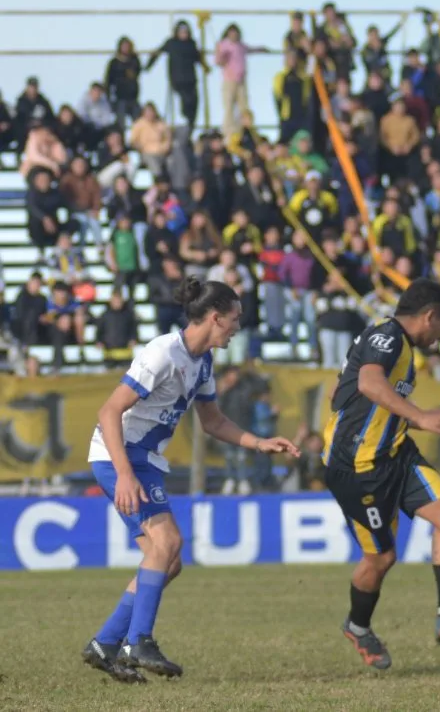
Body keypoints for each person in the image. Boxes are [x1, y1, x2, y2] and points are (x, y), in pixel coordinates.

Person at [82, 276, 300, 682]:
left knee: (168, 560)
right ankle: (138, 640)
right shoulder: (164, 352)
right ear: (215, 317)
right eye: (235, 318)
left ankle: (106, 643)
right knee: (168, 543)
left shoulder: (202, 362)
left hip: (141, 460)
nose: (238, 326)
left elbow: (213, 421)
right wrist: (125, 475)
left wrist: (258, 442)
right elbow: (109, 412)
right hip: (118, 456)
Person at [322, 278, 440, 671]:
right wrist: (418, 415)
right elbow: (368, 382)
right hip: (358, 467)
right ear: (430, 315)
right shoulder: (389, 336)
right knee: (381, 558)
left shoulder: (396, 345)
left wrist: (419, 420)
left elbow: (358, 397)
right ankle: (358, 625)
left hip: (395, 452)